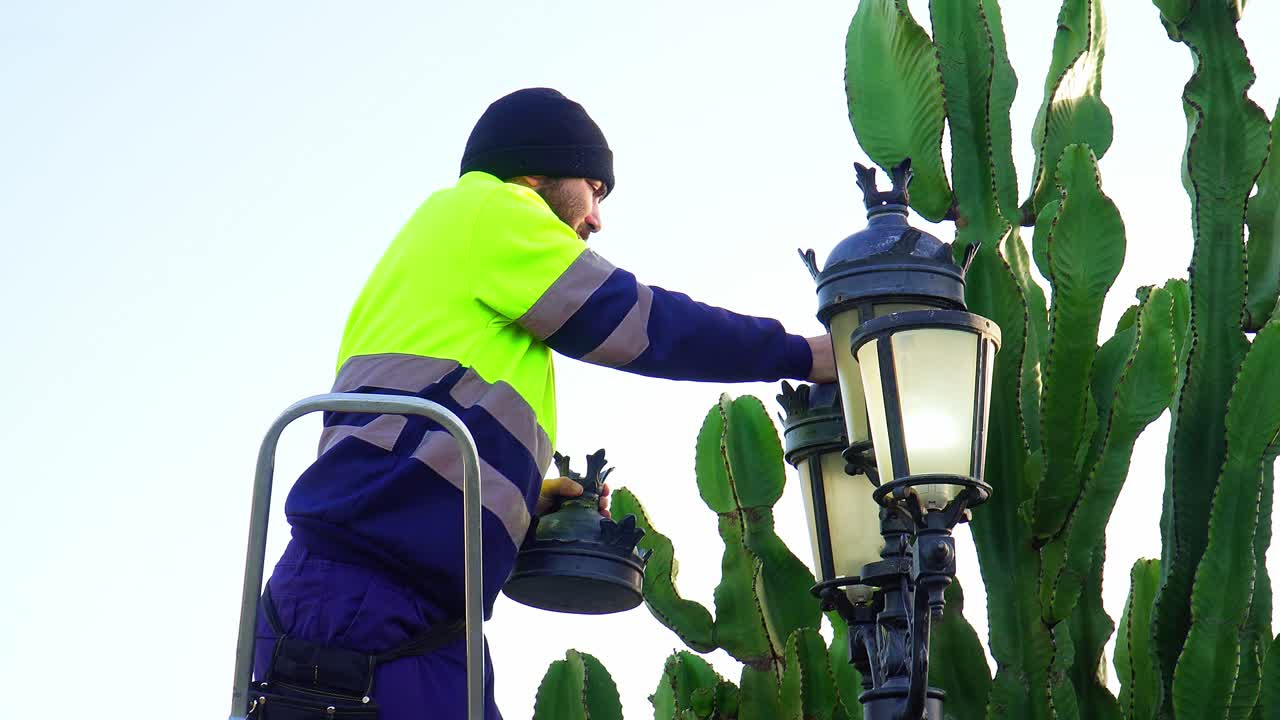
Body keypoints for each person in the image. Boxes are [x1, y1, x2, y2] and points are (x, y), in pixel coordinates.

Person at [251, 87, 836, 720]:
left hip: (420, 612)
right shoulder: (488, 208)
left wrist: (522, 506)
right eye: (595, 188)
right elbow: (640, 322)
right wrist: (804, 355)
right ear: (535, 174)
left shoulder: (462, 265)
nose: (596, 219)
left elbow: (404, 433)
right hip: (363, 597)